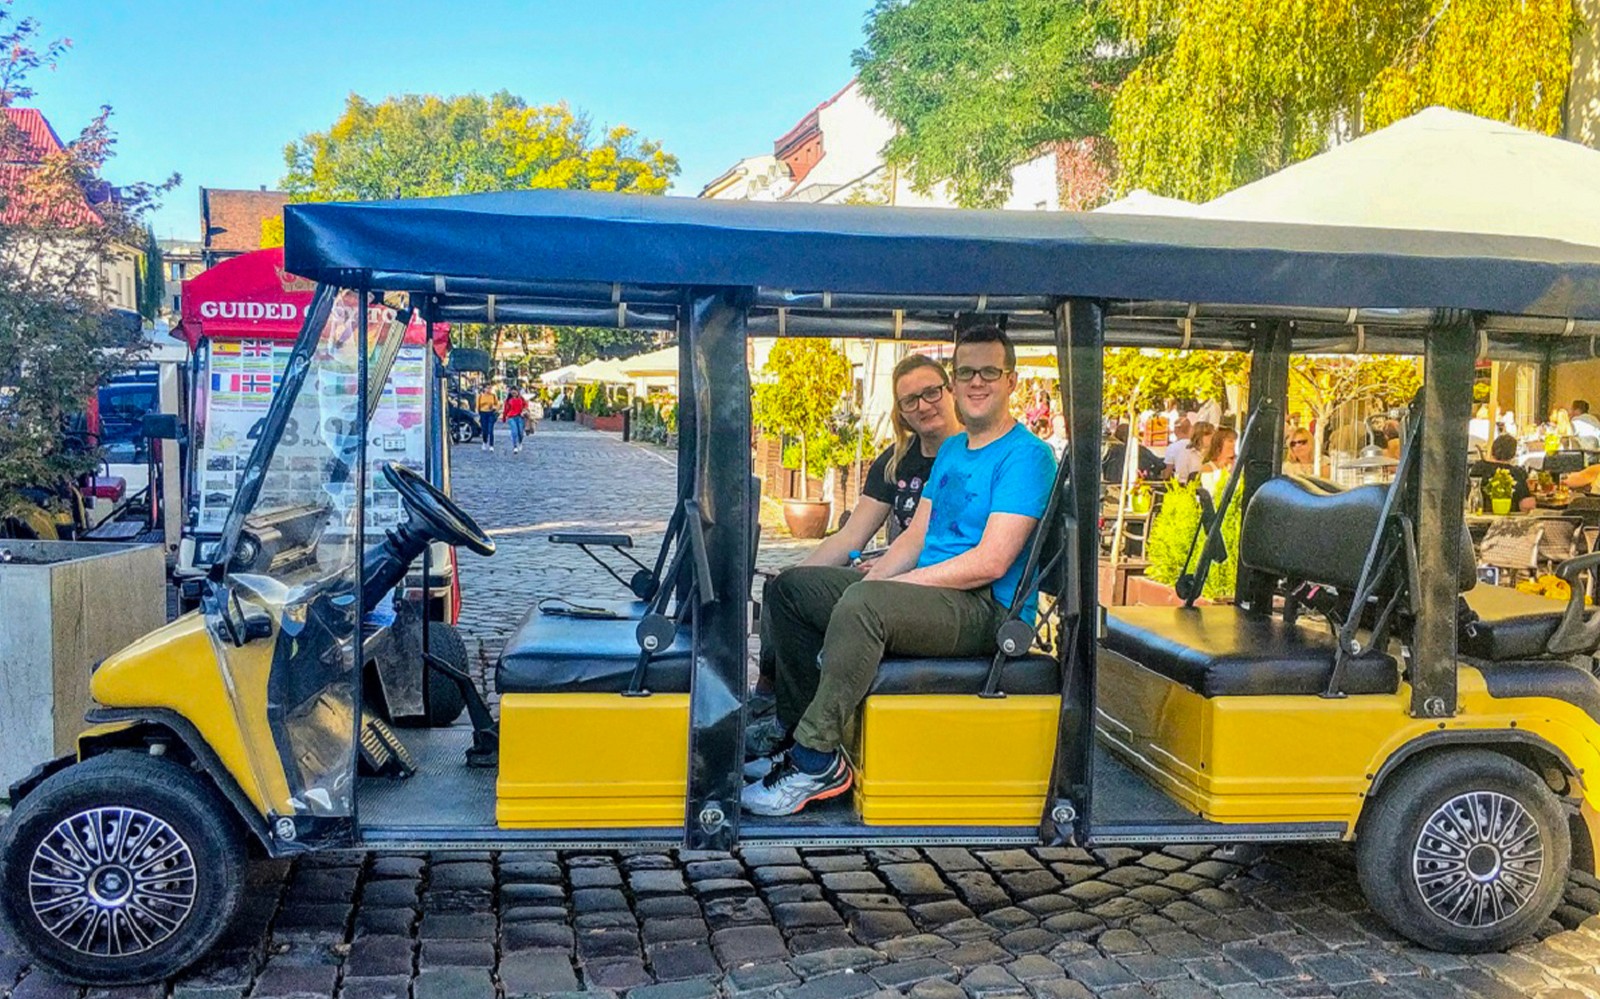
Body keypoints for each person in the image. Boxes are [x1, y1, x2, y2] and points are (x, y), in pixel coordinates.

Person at [743, 326, 1056, 817]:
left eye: (989, 372)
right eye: (966, 372)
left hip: (989, 608)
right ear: (957, 381)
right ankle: (798, 733)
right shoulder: (954, 450)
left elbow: (991, 562)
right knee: (792, 590)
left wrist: (883, 590)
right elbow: (914, 538)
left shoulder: (1027, 456)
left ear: (1011, 381)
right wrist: (874, 579)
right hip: (938, 595)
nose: (976, 382)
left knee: (867, 604)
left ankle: (815, 758)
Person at [746, 354, 963, 730]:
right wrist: (796, 573)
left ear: (950, 390)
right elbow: (852, 534)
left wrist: (885, 572)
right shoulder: (896, 460)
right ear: (901, 412)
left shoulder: (972, 456)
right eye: (910, 400)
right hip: (893, 571)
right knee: (787, 587)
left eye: (931, 392)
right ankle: (777, 702)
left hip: (933, 587)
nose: (923, 406)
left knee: (812, 596)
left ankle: (798, 727)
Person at [1471, 433, 1537, 513]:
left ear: (1492, 449)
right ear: (1513, 454)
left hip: (1478, 517)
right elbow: (1526, 504)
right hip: (1508, 522)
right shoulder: (1517, 474)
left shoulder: (1478, 468)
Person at [1101, 424, 1166, 482]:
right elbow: (1159, 463)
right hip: (1133, 484)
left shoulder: (1110, 450)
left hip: (1111, 484)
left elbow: (1103, 466)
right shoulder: (1139, 449)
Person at [1197, 427, 1238, 495]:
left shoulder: (1237, 464)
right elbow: (1211, 492)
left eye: (1235, 440)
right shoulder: (1208, 468)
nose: (1234, 443)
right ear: (1219, 443)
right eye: (1230, 440)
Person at [503, 388, 528, 454]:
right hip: (511, 417)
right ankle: (515, 447)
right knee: (514, 432)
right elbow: (505, 409)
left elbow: (526, 405)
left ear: (518, 392)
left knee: (520, 432)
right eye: (512, 391)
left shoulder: (521, 399)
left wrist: (524, 411)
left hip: (520, 417)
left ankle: (520, 442)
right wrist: (504, 417)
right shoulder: (508, 400)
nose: (514, 392)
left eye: (515, 391)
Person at [475, 383, 500, 451]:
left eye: (490, 388)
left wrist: (494, 408)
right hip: (483, 413)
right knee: (484, 430)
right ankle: (484, 442)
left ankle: (491, 445)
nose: (489, 390)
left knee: (490, 429)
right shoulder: (480, 396)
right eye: (487, 388)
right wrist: (478, 414)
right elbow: (477, 406)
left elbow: (497, 405)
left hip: (491, 413)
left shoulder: (493, 396)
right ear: (484, 389)